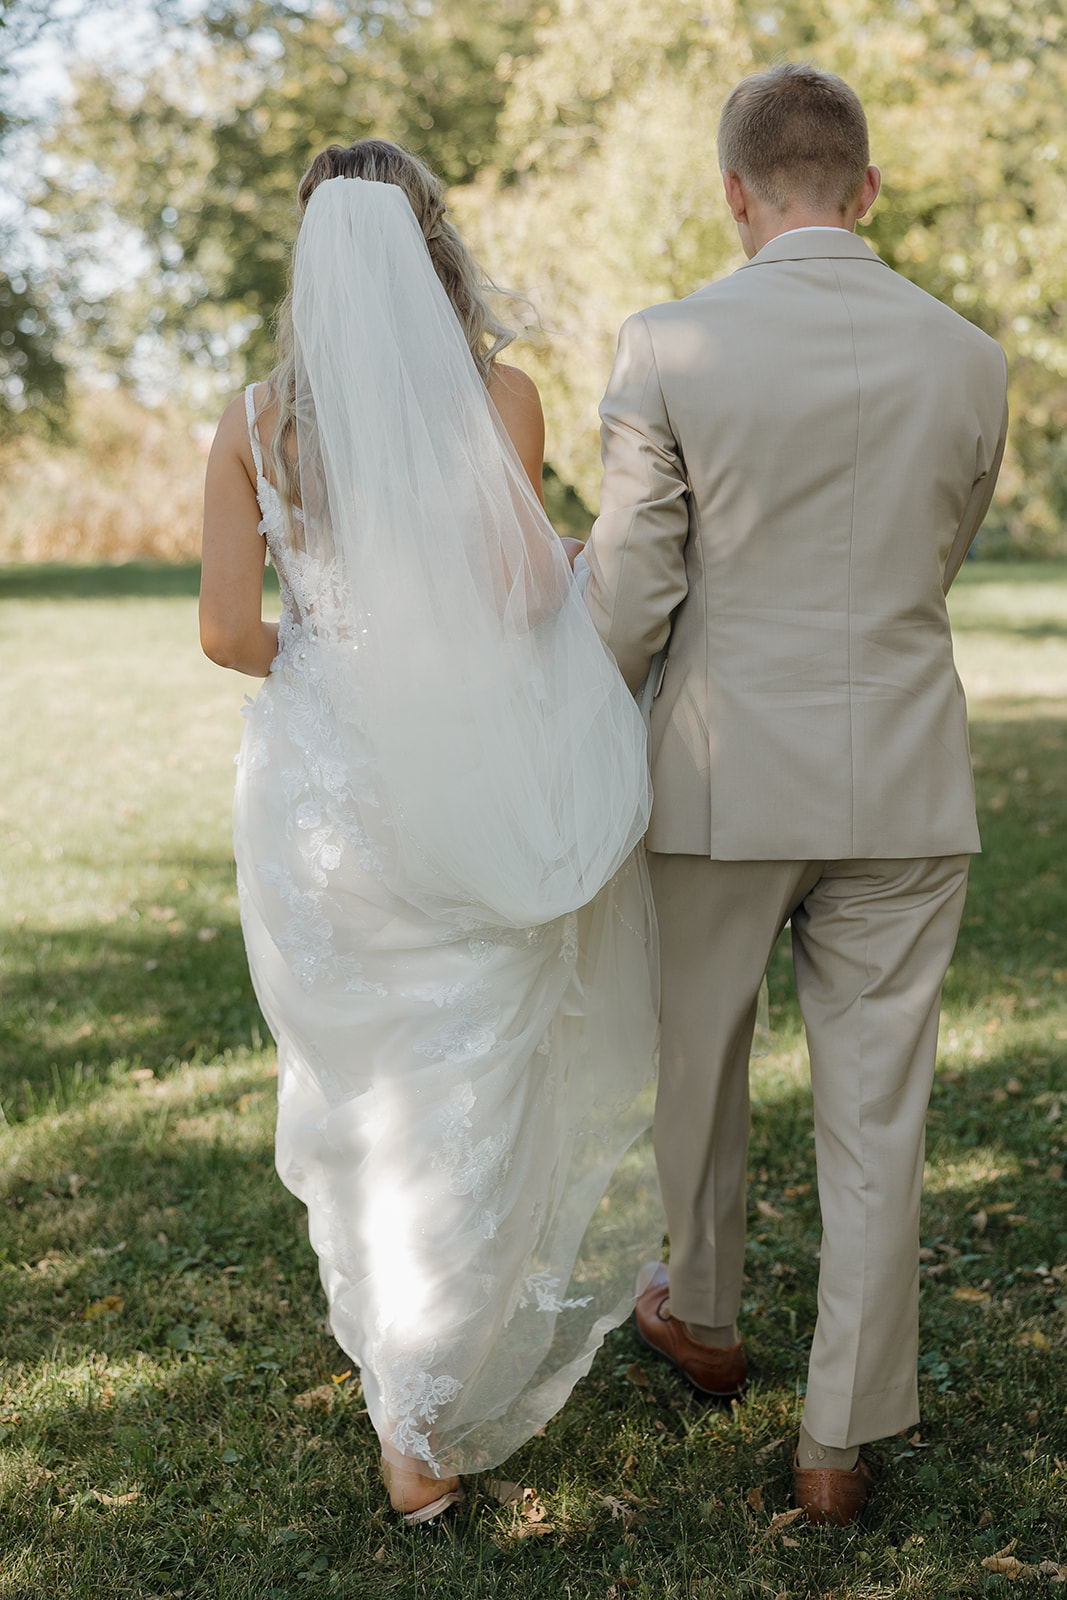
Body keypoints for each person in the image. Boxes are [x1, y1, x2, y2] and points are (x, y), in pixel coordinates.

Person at [199, 140, 662, 1524]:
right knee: (475, 1069)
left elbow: (226, 634)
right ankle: (422, 1398)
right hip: (457, 775)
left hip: (322, 792)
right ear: (430, 248)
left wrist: (327, 649)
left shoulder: (254, 420)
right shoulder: (497, 399)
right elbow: (524, 595)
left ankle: (404, 1399)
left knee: (365, 1091)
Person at [583, 64, 1008, 1526]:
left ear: (736, 191)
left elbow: (634, 589)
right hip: (902, 763)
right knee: (879, 1109)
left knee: (694, 1062)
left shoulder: (668, 342)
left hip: (716, 767)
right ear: (868, 187)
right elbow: (938, 553)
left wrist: (563, 711)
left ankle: (699, 1312)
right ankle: (837, 1439)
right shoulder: (972, 356)